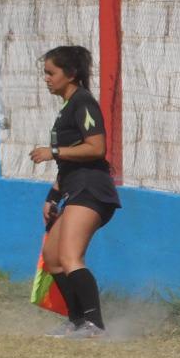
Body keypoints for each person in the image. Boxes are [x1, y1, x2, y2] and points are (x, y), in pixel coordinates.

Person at [29, 45, 120, 338]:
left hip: (92, 191)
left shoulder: (83, 103)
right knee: (53, 257)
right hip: (74, 189)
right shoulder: (68, 108)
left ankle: (95, 326)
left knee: (70, 257)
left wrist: (52, 151)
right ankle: (77, 321)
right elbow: (69, 165)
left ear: (70, 74)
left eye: (50, 72)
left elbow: (96, 148)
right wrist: (53, 196)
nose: (46, 78)